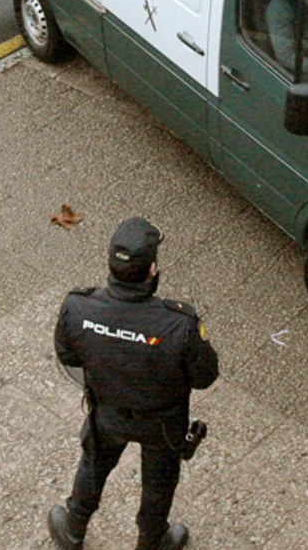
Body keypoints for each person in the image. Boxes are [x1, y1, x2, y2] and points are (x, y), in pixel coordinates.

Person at [49, 217, 218, 550]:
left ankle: (73, 529)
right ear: (152, 270)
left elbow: (67, 357)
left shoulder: (77, 306)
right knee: (159, 484)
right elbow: (204, 377)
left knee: (93, 465)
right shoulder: (180, 323)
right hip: (163, 423)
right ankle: (151, 541)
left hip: (107, 412)